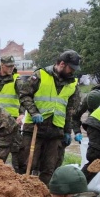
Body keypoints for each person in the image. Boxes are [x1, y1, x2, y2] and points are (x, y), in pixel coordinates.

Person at [17, 50, 82, 184]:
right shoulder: (40, 75)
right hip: (35, 127)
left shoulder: (73, 84)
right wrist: (34, 112)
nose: (73, 72)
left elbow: (70, 110)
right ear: (62, 64)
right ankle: (23, 194)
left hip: (56, 131)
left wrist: (67, 132)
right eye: (71, 68)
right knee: (27, 164)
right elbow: (24, 94)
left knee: (50, 168)